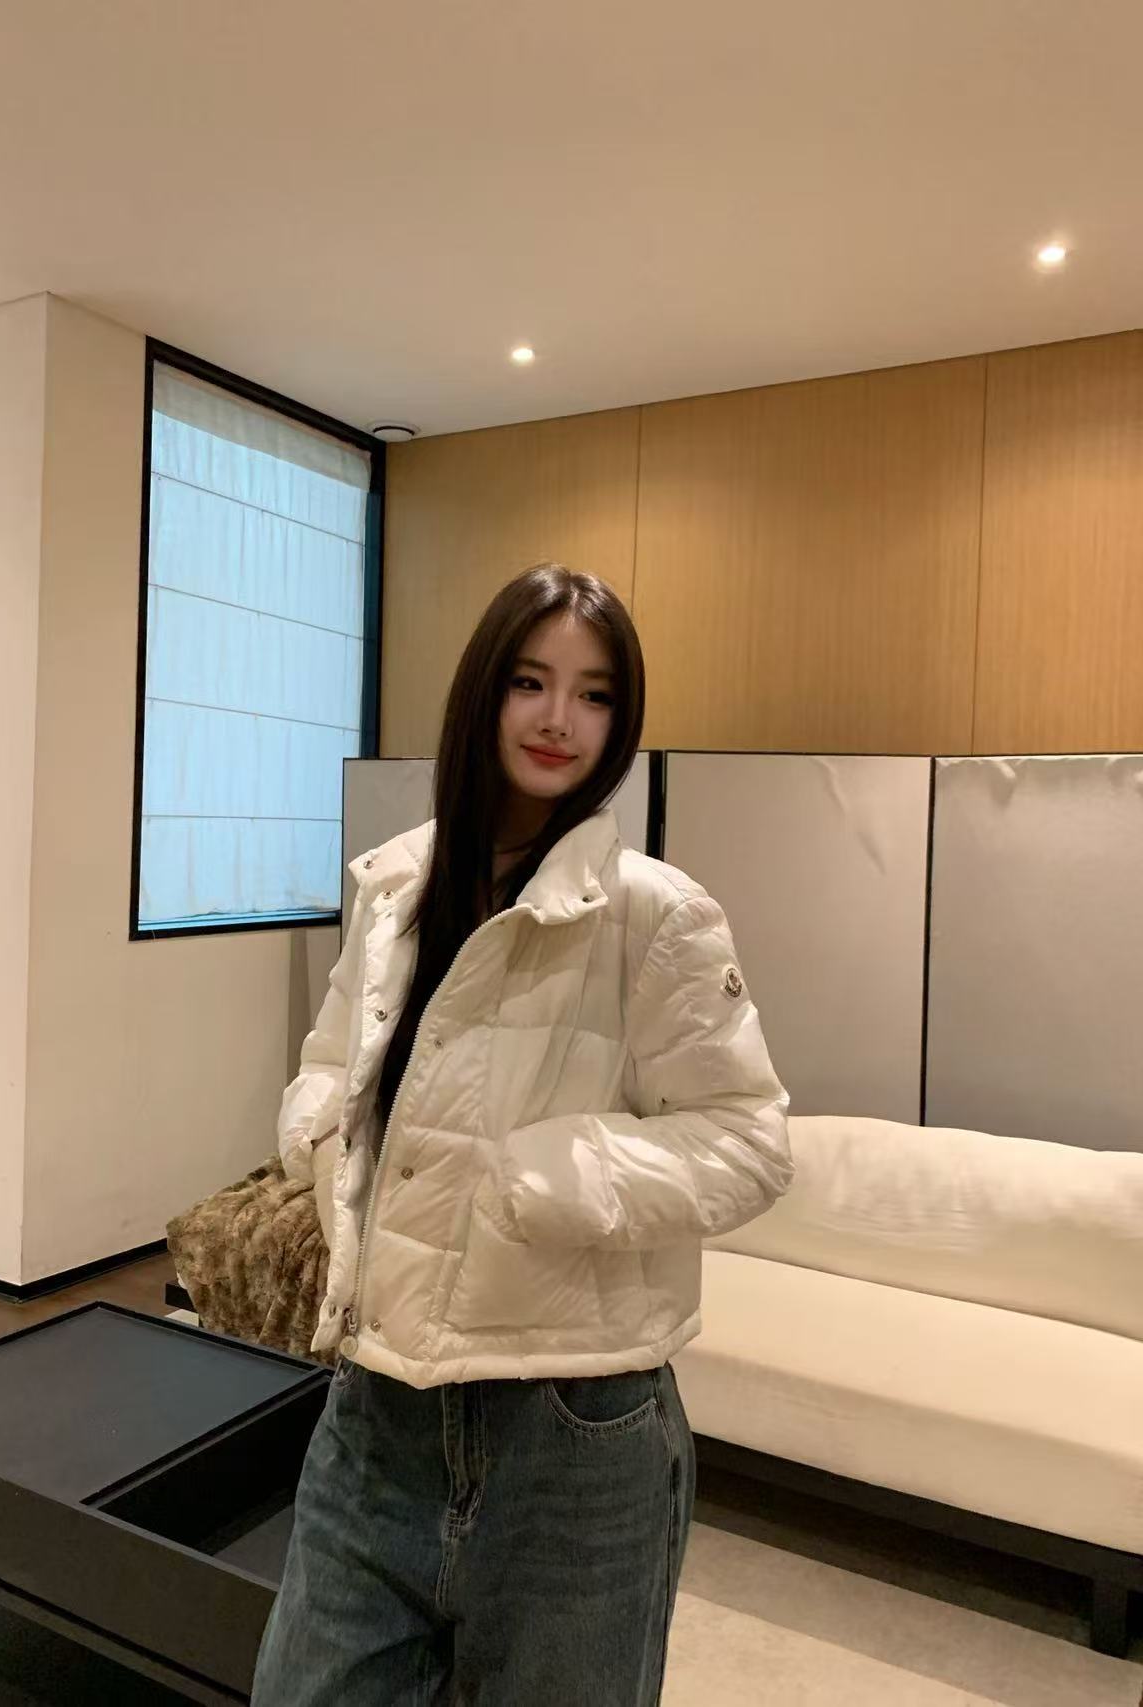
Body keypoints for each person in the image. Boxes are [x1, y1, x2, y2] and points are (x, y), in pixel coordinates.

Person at [251, 564, 792, 1706]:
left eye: (594, 695)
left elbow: (749, 1145)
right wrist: (317, 1135)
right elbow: (331, 1057)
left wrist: (547, 1174)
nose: (558, 718)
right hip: (376, 1408)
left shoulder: (657, 913)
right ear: (482, 692)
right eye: (530, 682)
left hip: (575, 1431)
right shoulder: (395, 886)